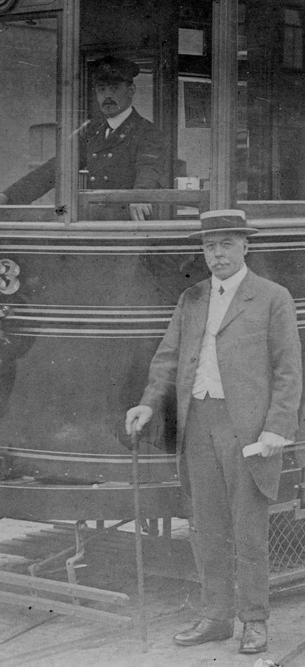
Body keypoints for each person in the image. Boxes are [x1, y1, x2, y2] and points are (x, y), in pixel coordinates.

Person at [125, 209, 302, 655]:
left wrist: (278, 427)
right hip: (197, 424)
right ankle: (217, 616)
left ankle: (255, 621)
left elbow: (288, 370)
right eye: (209, 246)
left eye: (226, 244)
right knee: (206, 527)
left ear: (246, 246)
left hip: (247, 431)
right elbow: (167, 357)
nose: (217, 254)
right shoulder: (192, 299)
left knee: (248, 529)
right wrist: (147, 404)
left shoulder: (271, 297)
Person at [0, 56, 167, 221]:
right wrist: (9, 197)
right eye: (101, 90)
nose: (107, 96)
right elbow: (56, 167)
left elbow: (149, 169)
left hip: (130, 225)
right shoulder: (91, 130)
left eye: (114, 88)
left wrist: (139, 196)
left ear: (131, 90)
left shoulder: (147, 132)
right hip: (93, 222)